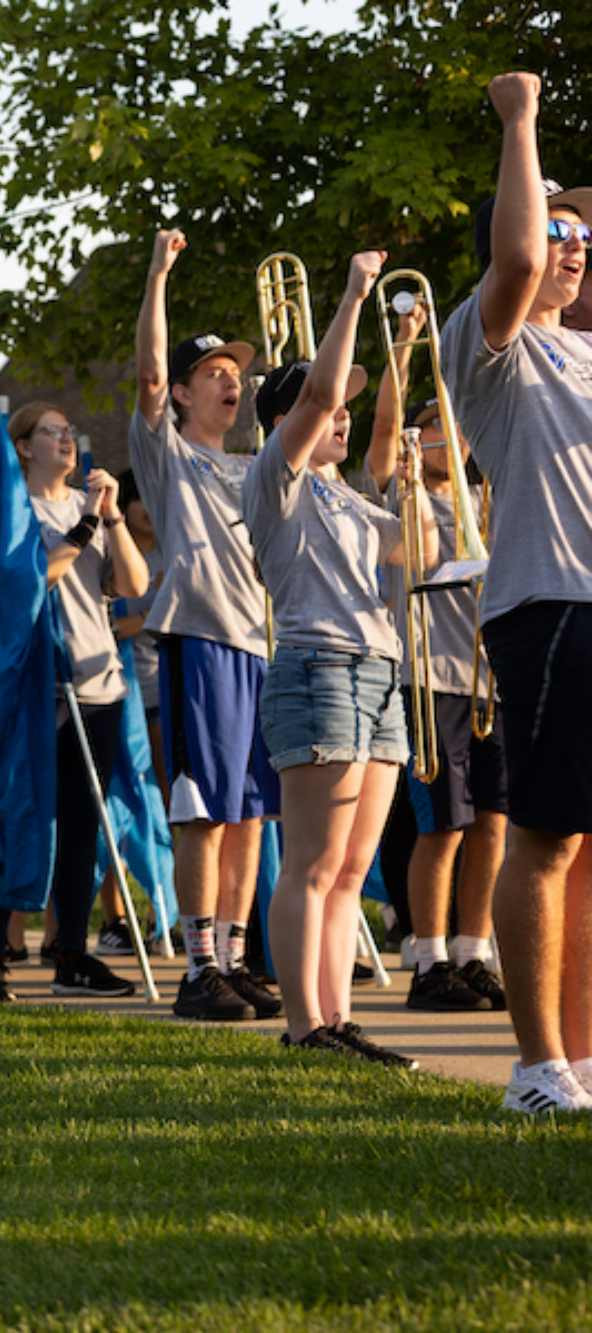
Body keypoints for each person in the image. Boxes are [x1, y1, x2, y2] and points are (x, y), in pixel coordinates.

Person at [444, 72, 592, 1113]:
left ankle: (578, 1060)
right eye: (557, 228)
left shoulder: (584, 353)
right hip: (546, 609)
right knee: (539, 838)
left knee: (585, 850)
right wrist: (519, 123)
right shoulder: (489, 346)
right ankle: (533, 1068)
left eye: (582, 239)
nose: (568, 249)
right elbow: (512, 257)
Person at [244, 249, 427, 1069]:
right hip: (318, 666)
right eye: (327, 410)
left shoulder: (348, 495)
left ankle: (337, 1021)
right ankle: (302, 1026)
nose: (340, 416)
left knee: (350, 868)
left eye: (352, 408)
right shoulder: (274, 477)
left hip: (377, 670)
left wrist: (417, 482)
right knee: (311, 863)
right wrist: (353, 294)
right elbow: (318, 392)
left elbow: (411, 551)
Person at [128, 228, 283, 1022]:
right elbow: (149, 371)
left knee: (252, 811)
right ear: (184, 394)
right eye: (215, 374)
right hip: (201, 639)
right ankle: (195, 969)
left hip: (262, 646)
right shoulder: (167, 453)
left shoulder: (255, 464)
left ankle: (233, 956)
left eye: (238, 374)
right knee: (203, 807)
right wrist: (159, 275)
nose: (233, 384)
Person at [0, 404, 150, 1002]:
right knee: (19, 815)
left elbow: (133, 586)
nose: (66, 438)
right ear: (23, 447)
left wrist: (112, 518)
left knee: (83, 826)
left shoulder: (86, 506)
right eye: (52, 431)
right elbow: (24, 584)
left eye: (69, 429)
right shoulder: (13, 510)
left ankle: (70, 952)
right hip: (40, 691)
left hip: (99, 687)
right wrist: (78, 536)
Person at [363, 317, 507, 1015]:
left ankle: (475, 949)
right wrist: (404, 346)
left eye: (451, 427)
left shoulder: (487, 499)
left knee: (493, 823)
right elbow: (385, 429)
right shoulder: (404, 491)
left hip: (487, 678)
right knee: (441, 825)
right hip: (428, 676)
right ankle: (428, 955)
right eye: (431, 427)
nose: (442, 437)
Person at [94, 470, 169, 954]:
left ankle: (167, 910)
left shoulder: (174, 552)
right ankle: (114, 917)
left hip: (168, 695)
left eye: (151, 497)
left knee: (166, 809)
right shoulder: (109, 548)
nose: (146, 507)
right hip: (122, 696)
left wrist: (142, 618)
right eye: (137, 497)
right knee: (116, 808)